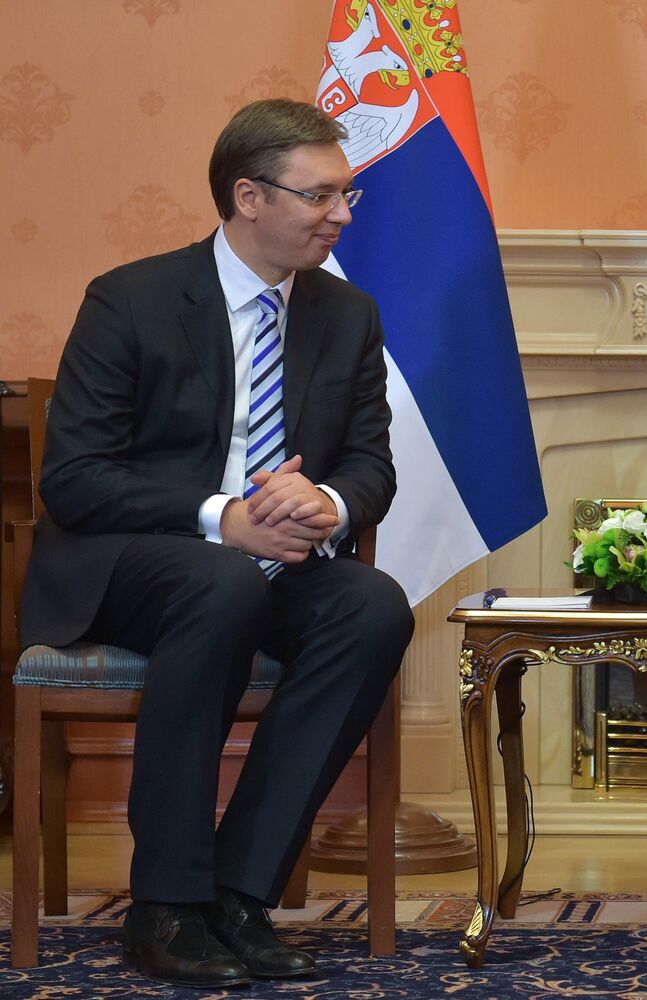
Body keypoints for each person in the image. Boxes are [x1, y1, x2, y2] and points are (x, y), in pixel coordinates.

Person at [21, 99, 415, 988]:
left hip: (278, 566)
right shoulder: (132, 299)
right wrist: (221, 516)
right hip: (136, 561)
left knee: (371, 606)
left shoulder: (347, 314)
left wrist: (327, 502)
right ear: (249, 196)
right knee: (220, 582)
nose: (342, 215)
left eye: (346, 194)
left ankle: (240, 894)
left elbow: (371, 466)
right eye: (321, 196)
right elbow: (74, 478)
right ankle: (165, 903)